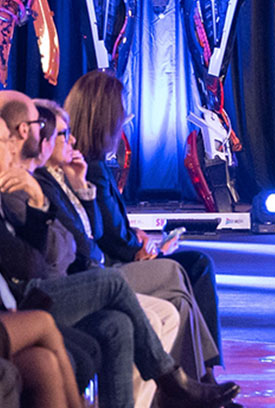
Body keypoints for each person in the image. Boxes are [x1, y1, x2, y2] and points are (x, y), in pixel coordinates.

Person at [64, 70, 226, 378]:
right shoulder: (89, 168)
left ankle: (197, 376)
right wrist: (138, 248)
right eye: (121, 112)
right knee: (193, 267)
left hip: (116, 258)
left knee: (186, 281)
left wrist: (134, 236)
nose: (125, 118)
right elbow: (106, 234)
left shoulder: (93, 164)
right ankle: (199, 375)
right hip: (108, 268)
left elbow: (111, 226)